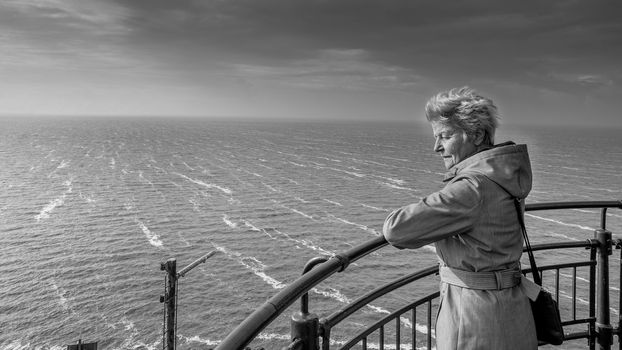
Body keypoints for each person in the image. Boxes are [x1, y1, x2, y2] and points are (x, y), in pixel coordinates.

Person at [383, 87, 538, 349]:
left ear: (476, 135)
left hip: (476, 316)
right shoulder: (502, 174)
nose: (436, 147)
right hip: (512, 306)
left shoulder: (472, 188)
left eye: (445, 135)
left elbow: (396, 230)